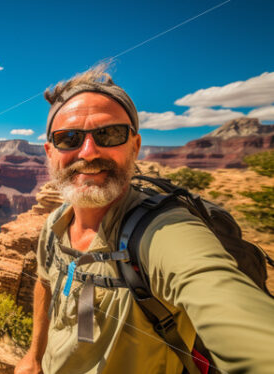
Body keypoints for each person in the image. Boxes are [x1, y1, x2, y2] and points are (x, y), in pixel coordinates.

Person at [14, 64, 274, 374]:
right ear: (49, 152)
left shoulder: (161, 231)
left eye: (109, 134)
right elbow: (45, 280)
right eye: (69, 138)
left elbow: (219, 293)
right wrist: (33, 355)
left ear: (135, 147)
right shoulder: (55, 224)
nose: (88, 151)